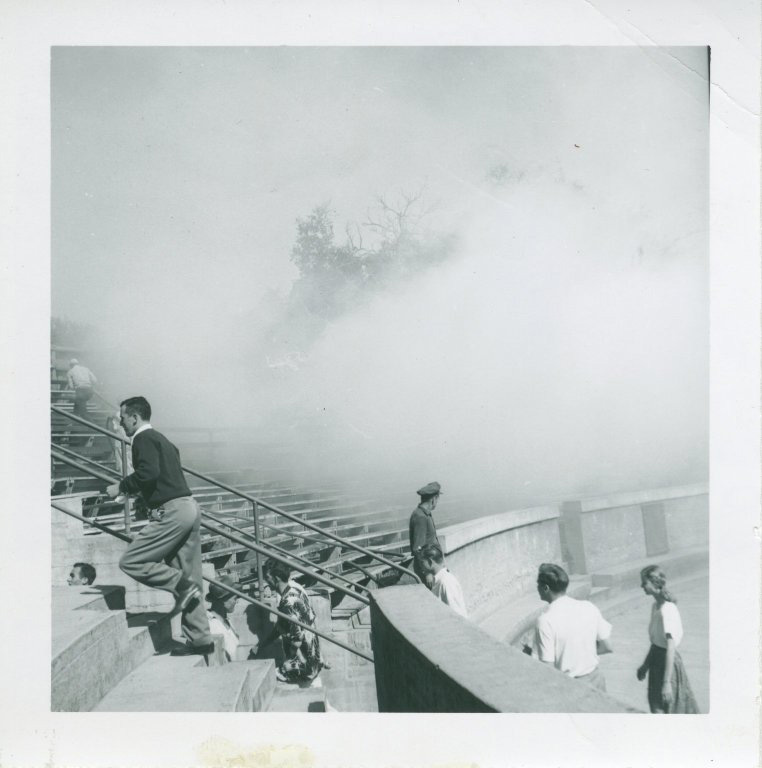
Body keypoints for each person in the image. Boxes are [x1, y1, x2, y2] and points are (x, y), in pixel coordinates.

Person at [105, 396, 213, 654]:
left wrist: (121, 487)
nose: (121, 424)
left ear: (134, 417)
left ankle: (181, 586)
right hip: (188, 507)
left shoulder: (141, 439)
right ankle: (201, 641)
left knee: (131, 561)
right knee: (191, 575)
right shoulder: (163, 440)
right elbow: (161, 475)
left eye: (123, 418)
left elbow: (148, 473)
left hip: (171, 511)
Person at [533, 563, 613, 690]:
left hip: (570, 686)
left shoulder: (545, 621)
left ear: (545, 588)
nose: (537, 588)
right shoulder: (588, 607)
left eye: (538, 584)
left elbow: (548, 669)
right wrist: (581, 652)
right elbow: (607, 647)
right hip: (596, 680)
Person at [636, 565, 700, 713]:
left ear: (655, 583)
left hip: (668, 667)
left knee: (671, 711)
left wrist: (667, 683)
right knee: (657, 709)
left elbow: (670, 647)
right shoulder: (655, 606)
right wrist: (645, 665)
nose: (641, 586)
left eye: (644, 582)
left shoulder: (668, 609)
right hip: (656, 664)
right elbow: (656, 643)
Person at [256, 558, 323, 683]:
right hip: (314, 658)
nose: (266, 581)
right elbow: (283, 624)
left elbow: (297, 642)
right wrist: (264, 643)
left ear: (276, 578)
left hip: (304, 665)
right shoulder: (296, 589)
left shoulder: (287, 603)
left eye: (267, 577)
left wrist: (287, 662)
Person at [418, 543, 467, 617]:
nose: (420, 567)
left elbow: (456, 615)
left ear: (430, 562)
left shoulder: (446, 582)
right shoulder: (439, 580)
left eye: (422, 563)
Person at [409, 481, 442, 588]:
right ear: (433, 499)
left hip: (432, 567)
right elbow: (418, 548)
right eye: (437, 499)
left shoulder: (425, 514)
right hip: (428, 571)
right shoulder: (421, 517)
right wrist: (427, 573)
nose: (437, 502)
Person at [205, 575, 241, 662]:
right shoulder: (212, 625)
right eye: (234, 598)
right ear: (223, 600)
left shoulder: (225, 619)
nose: (236, 601)